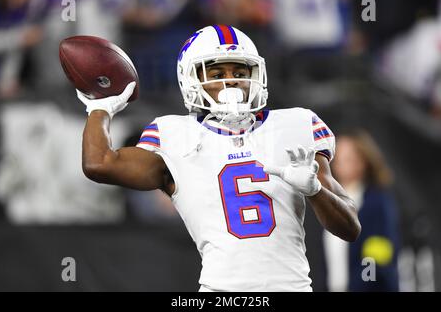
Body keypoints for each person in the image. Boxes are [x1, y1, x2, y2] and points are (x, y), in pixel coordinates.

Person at [76, 25, 361, 291]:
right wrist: (100, 109)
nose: (231, 82)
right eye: (216, 74)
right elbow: (99, 163)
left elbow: (349, 227)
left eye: (240, 71)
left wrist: (315, 191)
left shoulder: (296, 125)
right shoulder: (175, 134)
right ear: (191, 79)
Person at [325, 130, 399, 292]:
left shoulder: (376, 202)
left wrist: (365, 285)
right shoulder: (328, 202)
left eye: (349, 158)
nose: (341, 163)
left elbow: (376, 257)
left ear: (363, 161)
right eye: (339, 158)